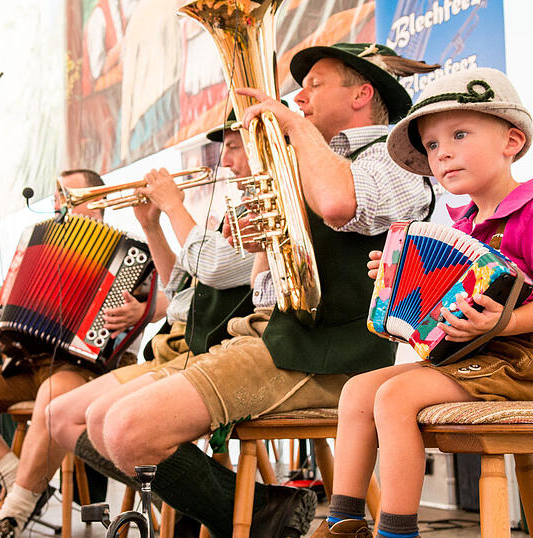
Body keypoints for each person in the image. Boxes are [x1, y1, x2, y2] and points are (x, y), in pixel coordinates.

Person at [73, 43, 440, 538]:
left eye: (315, 85)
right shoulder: (306, 161)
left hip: (330, 356)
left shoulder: (394, 160)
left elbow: (337, 204)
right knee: (96, 424)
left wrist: (292, 133)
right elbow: (263, 290)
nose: (300, 98)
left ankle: (255, 515)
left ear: (362, 94)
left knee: (124, 430)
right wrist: (268, 235)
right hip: (274, 338)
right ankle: (264, 511)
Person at [312, 68, 533, 538]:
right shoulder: (460, 228)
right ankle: (343, 522)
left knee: (395, 397)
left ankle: (396, 530)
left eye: (459, 134)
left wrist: (506, 321)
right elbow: (440, 309)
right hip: (474, 356)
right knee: (358, 390)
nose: (443, 153)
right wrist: (396, 278)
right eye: (433, 146)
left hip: (530, 357)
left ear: (512, 141)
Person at [45, 115, 322, 533]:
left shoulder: (275, 202)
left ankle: (223, 507)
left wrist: (173, 205)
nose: (225, 161)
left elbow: (214, 267)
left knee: (112, 423)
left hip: (214, 347)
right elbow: (182, 290)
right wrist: (152, 224)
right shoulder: (231, 213)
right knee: (77, 418)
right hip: (180, 343)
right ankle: (199, 502)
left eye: (234, 146)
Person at [0, 170, 161, 538]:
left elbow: (176, 292)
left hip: (90, 368)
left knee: (52, 400)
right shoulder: (40, 240)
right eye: (57, 196)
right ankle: (21, 481)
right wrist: (5, 320)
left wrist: (143, 310)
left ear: (98, 199)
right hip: (31, 362)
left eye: (70, 195)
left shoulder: (131, 248)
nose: (60, 203)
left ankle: (14, 513)